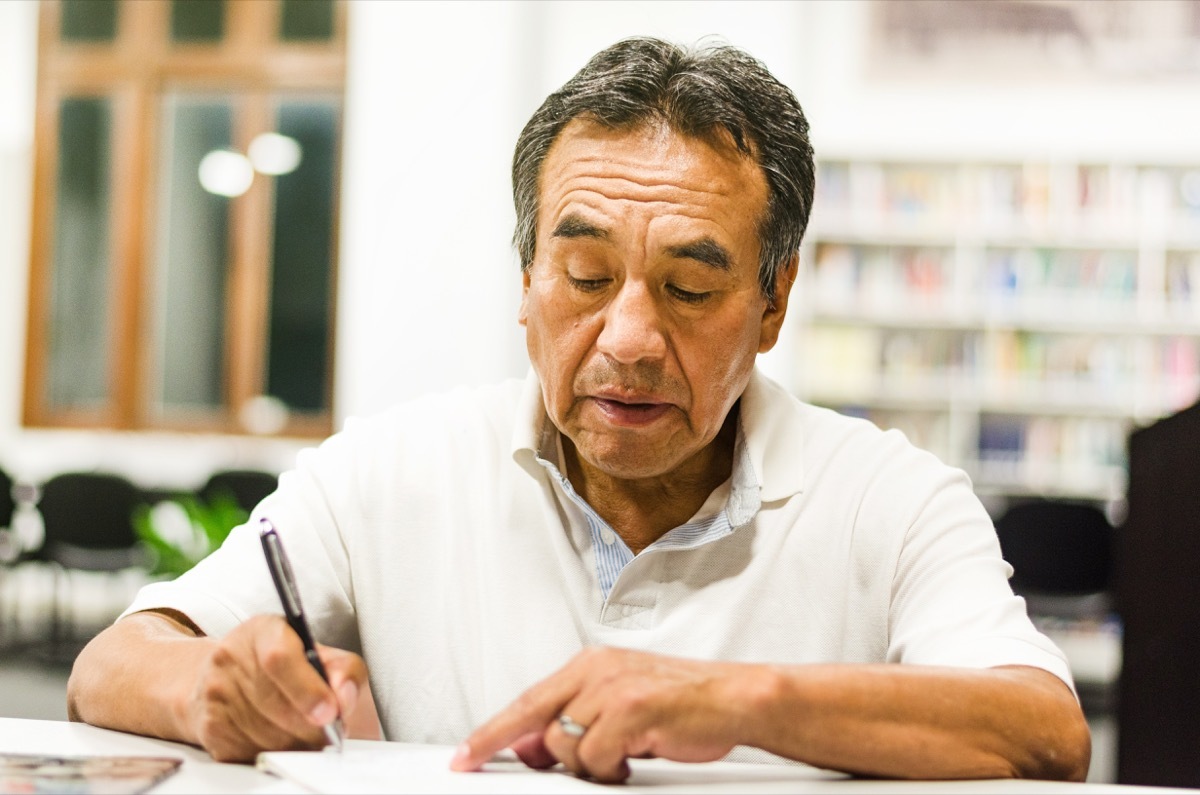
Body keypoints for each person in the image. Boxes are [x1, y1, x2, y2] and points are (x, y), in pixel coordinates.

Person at [67, 37, 1091, 783]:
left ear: (772, 303)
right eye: (587, 276)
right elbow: (113, 666)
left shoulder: (891, 500)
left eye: (689, 290)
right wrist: (209, 682)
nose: (631, 340)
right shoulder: (393, 469)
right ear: (525, 281)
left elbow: (1044, 731)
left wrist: (742, 701)